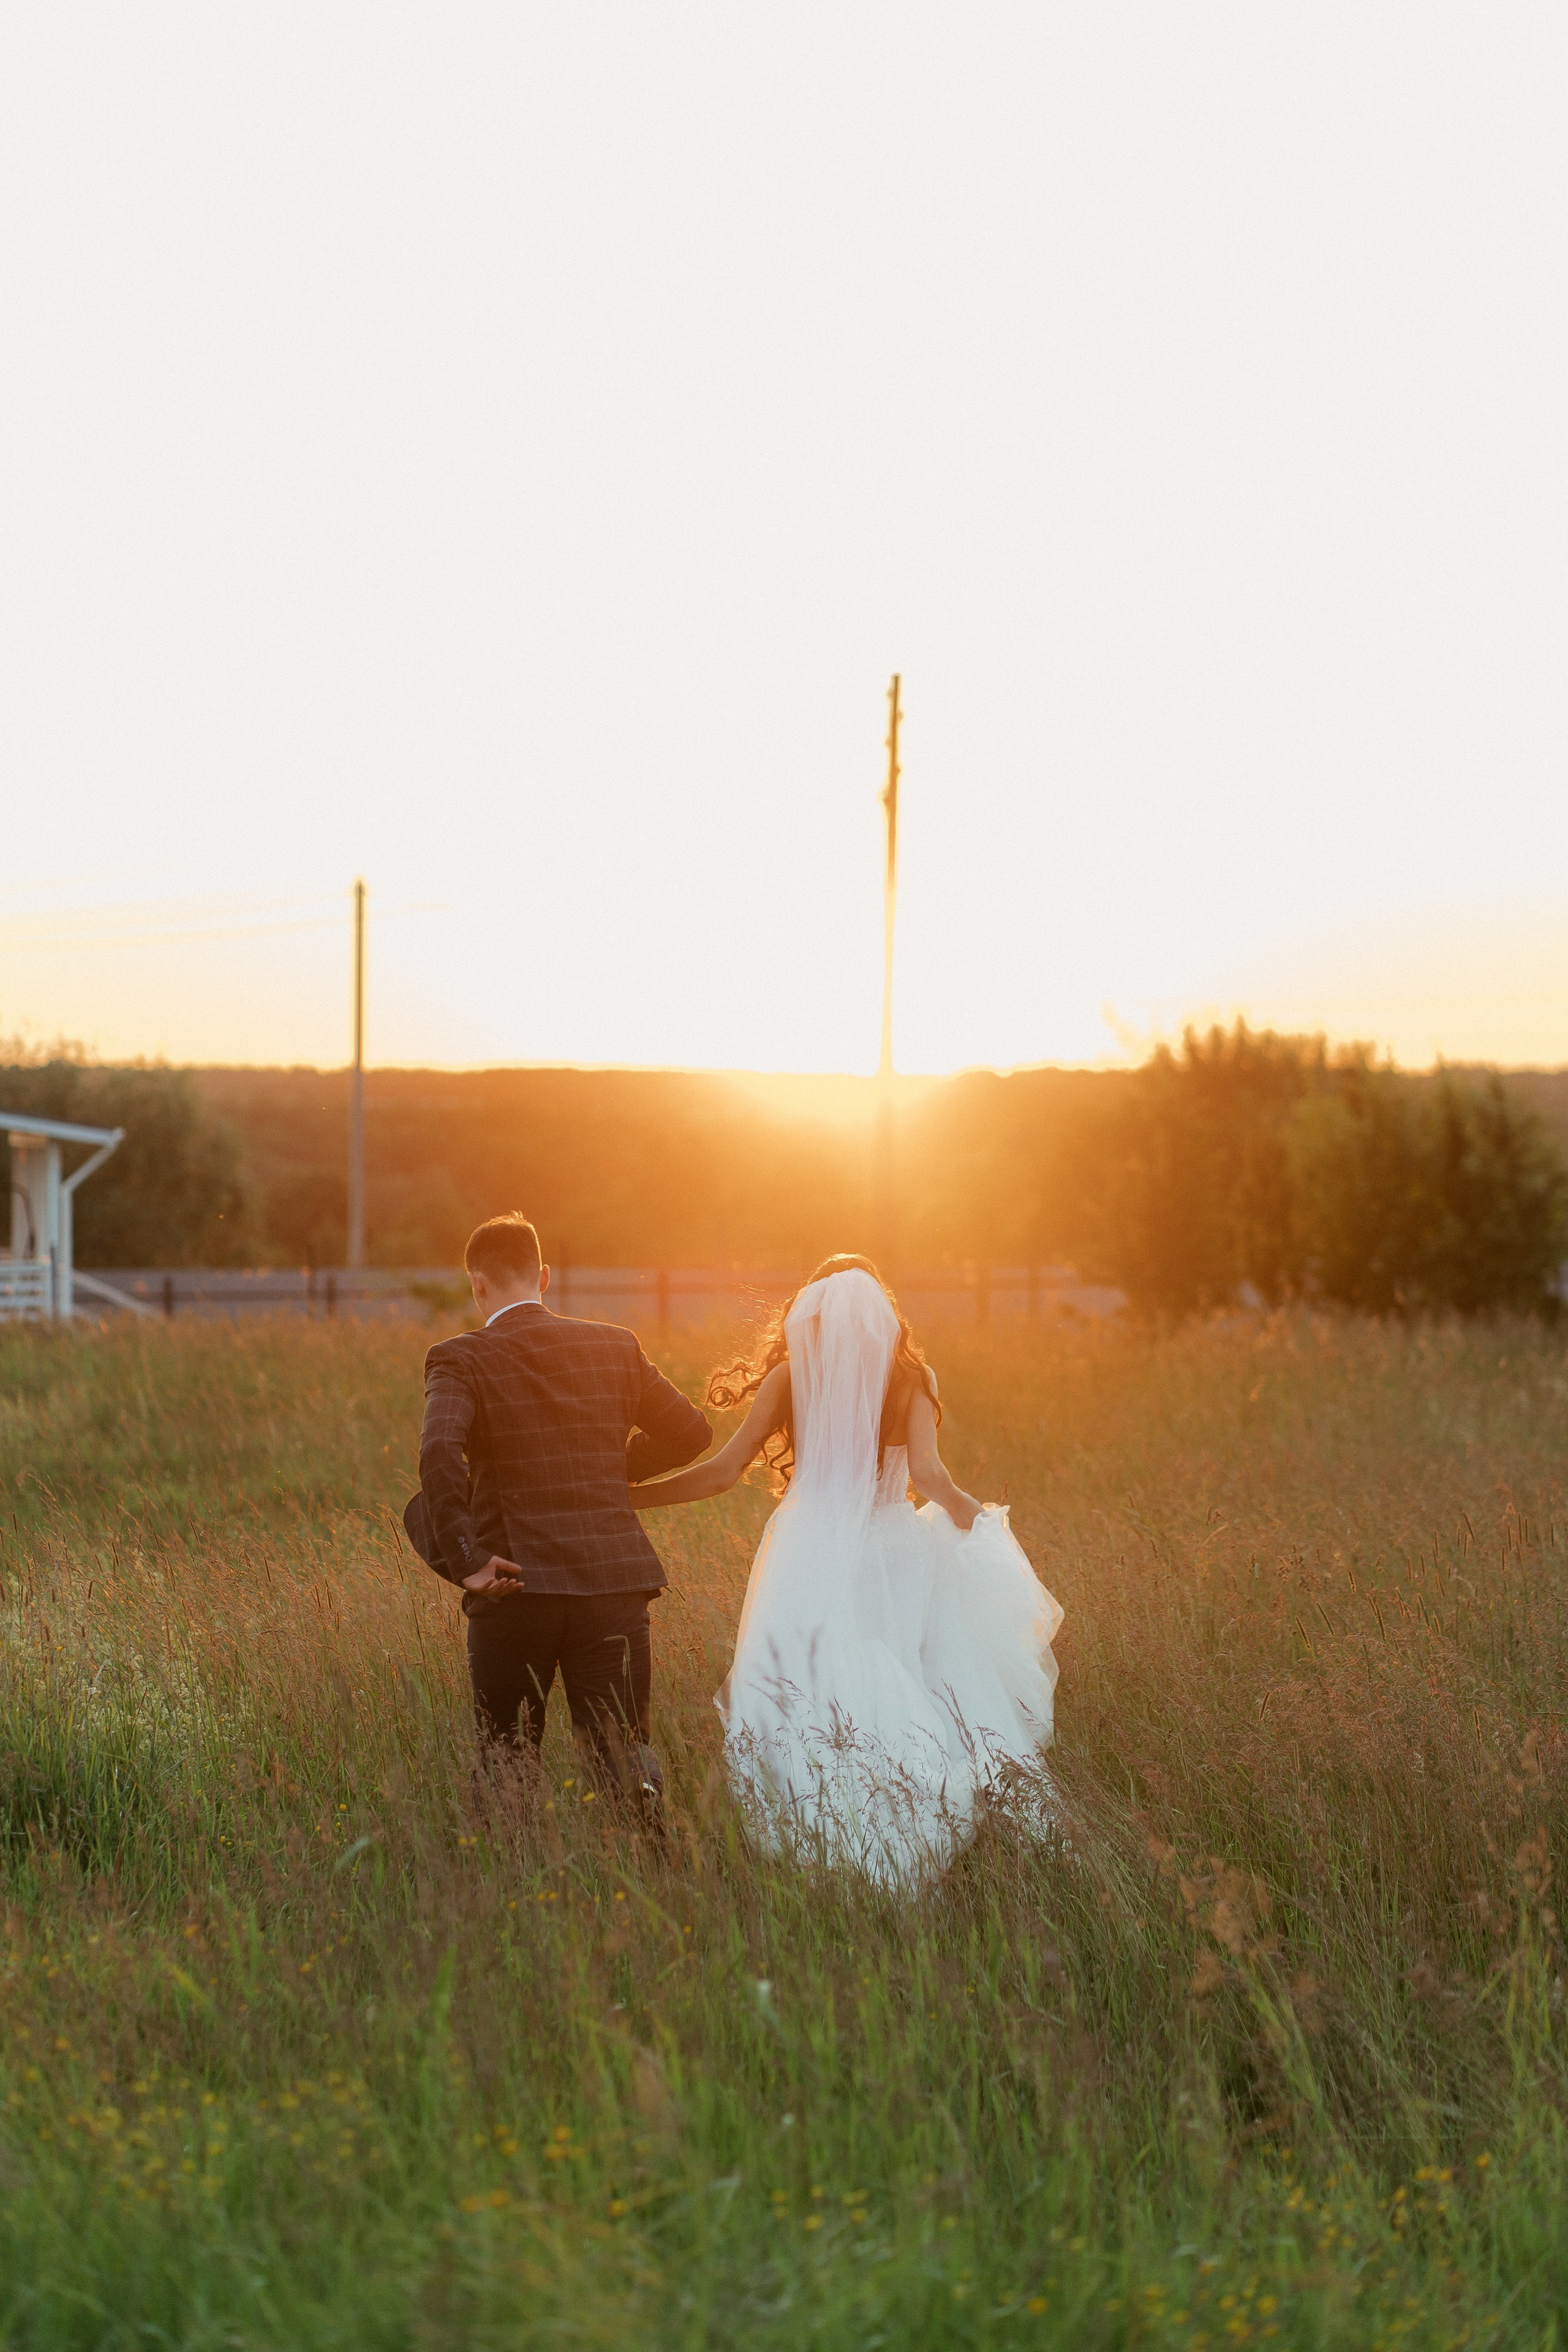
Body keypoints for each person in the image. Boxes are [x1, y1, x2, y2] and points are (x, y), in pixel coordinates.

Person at [631, 1255, 1061, 1882]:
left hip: (808, 1546)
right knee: (914, 1671)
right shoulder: (911, 1377)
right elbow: (931, 1479)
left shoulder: (787, 1376)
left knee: (809, 1685)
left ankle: (831, 1831)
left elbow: (722, 1473)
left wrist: (633, 1495)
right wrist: (982, 1523)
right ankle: (927, 1804)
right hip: (894, 1547)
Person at [404, 1213, 711, 1812]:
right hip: (614, 1584)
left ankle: (507, 1889)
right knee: (625, 1761)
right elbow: (691, 1432)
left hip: (513, 1588)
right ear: (543, 1275)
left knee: (506, 1763)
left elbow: (438, 1451)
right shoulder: (615, 1345)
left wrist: (466, 1560)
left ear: (477, 1286)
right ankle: (650, 1877)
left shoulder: (458, 1357)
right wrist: (617, 1470)